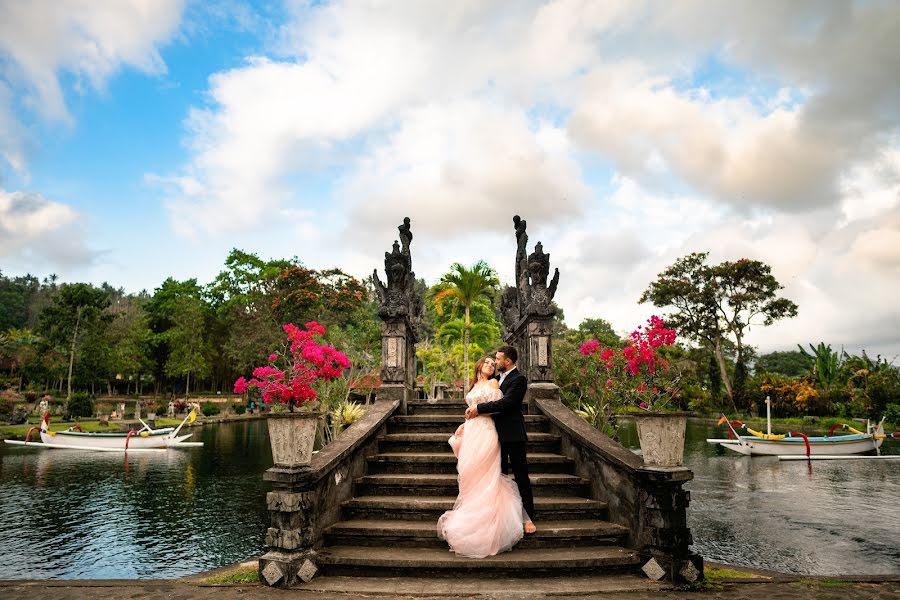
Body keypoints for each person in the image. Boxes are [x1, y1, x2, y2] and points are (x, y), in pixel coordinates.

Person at [437, 355, 528, 558]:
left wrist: (478, 412)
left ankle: (495, 520)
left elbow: (498, 409)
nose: (490, 365)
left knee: (488, 475)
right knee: (470, 474)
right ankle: (470, 514)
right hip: (472, 433)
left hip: (487, 432)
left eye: (493, 364)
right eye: (487, 362)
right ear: (479, 365)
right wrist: (464, 424)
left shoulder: (494, 383)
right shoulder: (472, 386)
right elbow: (469, 412)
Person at [465, 345, 536, 534]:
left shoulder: (519, 379)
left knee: (521, 475)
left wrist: (479, 409)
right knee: (500, 476)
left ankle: (527, 515)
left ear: (508, 361)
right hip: (493, 435)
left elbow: (507, 403)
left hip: (513, 434)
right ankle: (502, 516)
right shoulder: (495, 379)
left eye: (498, 359)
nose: (495, 362)